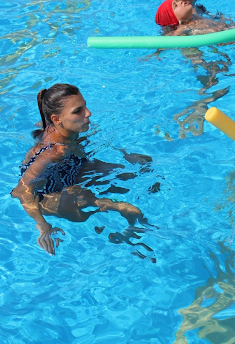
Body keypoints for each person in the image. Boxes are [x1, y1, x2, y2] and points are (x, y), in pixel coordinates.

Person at [11, 84, 146, 255]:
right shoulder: (53, 153)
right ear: (57, 119)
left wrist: (124, 153)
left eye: (85, 106)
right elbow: (20, 190)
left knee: (139, 167)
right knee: (130, 209)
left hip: (72, 171)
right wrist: (42, 225)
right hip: (52, 195)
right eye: (78, 111)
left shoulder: (64, 128)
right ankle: (113, 231)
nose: (88, 113)